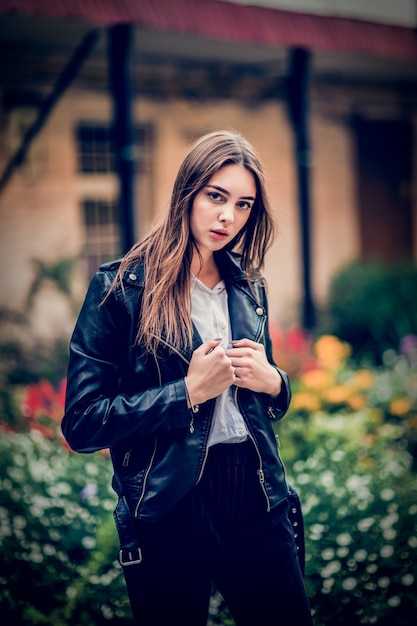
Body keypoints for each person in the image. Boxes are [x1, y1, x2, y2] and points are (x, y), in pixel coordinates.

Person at [62, 130, 313, 626]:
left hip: (256, 489)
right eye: (216, 197)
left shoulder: (248, 285)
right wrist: (186, 393)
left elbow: (262, 396)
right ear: (187, 192)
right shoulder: (121, 289)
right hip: (169, 501)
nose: (228, 217)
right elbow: (82, 422)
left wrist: (276, 383)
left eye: (243, 205)